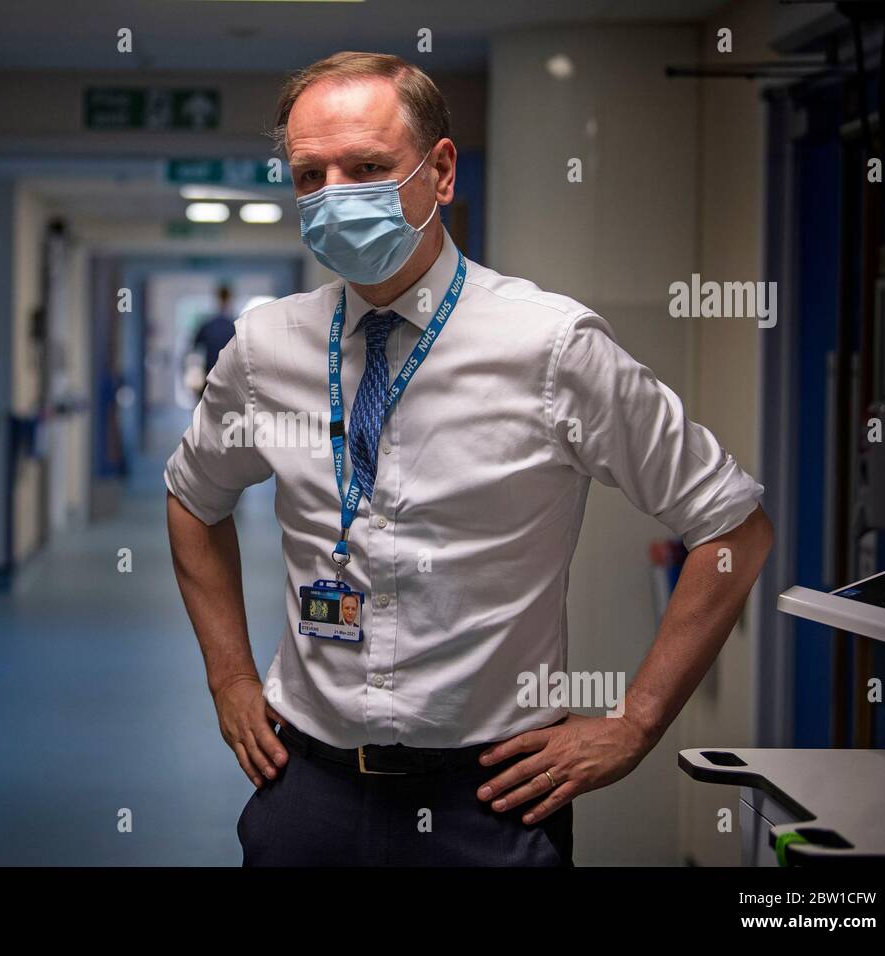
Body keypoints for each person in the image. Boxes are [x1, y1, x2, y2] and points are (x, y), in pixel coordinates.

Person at [164, 52, 773, 866]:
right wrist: (230, 680)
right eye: (311, 175)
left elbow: (733, 525)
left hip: (490, 802)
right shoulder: (264, 350)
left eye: (369, 167)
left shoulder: (550, 346)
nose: (335, 195)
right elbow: (192, 500)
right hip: (305, 789)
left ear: (440, 170)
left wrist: (635, 723)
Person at [189, 285, 236, 398]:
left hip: (210, 378)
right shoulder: (235, 326)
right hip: (228, 380)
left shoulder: (207, 326)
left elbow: (194, 349)